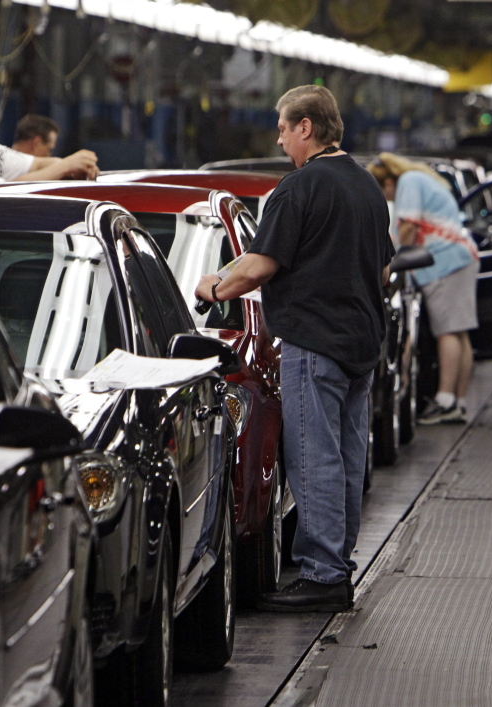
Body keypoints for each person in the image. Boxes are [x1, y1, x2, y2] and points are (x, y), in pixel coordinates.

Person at [194, 85, 393, 612]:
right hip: (361, 345)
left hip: (314, 344)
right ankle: (338, 564)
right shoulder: (367, 187)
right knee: (348, 457)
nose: (280, 140)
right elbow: (385, 269)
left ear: (306, 127)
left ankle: (324, 574)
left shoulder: (299, 188)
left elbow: (259, 265)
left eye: (283, 128)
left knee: (313, 458)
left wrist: (211, 288)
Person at [367, 153, 479, 425]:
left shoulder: (409, 182)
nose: (388, 198)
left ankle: (445, 401)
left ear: (389, 182)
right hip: (459, 258)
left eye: (384, 191)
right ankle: (458, 401)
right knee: (459, 332)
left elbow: (407, 227)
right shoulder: (419, 179)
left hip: (445, 262)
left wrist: (390, 262)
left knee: (447, 332)